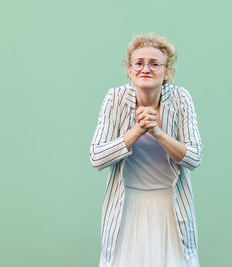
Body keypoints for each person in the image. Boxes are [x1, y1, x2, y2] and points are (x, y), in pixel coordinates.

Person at [89, 33, 204, 267]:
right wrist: (137, 130)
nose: (146, 69)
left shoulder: (181, 99)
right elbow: (97, 157)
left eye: (154, 63)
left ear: (166, 72)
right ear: (129, 70)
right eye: (139, 63)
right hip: (126, 208)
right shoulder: (115, 98)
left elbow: (194, 158)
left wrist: (158, 132)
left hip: (171, 210)